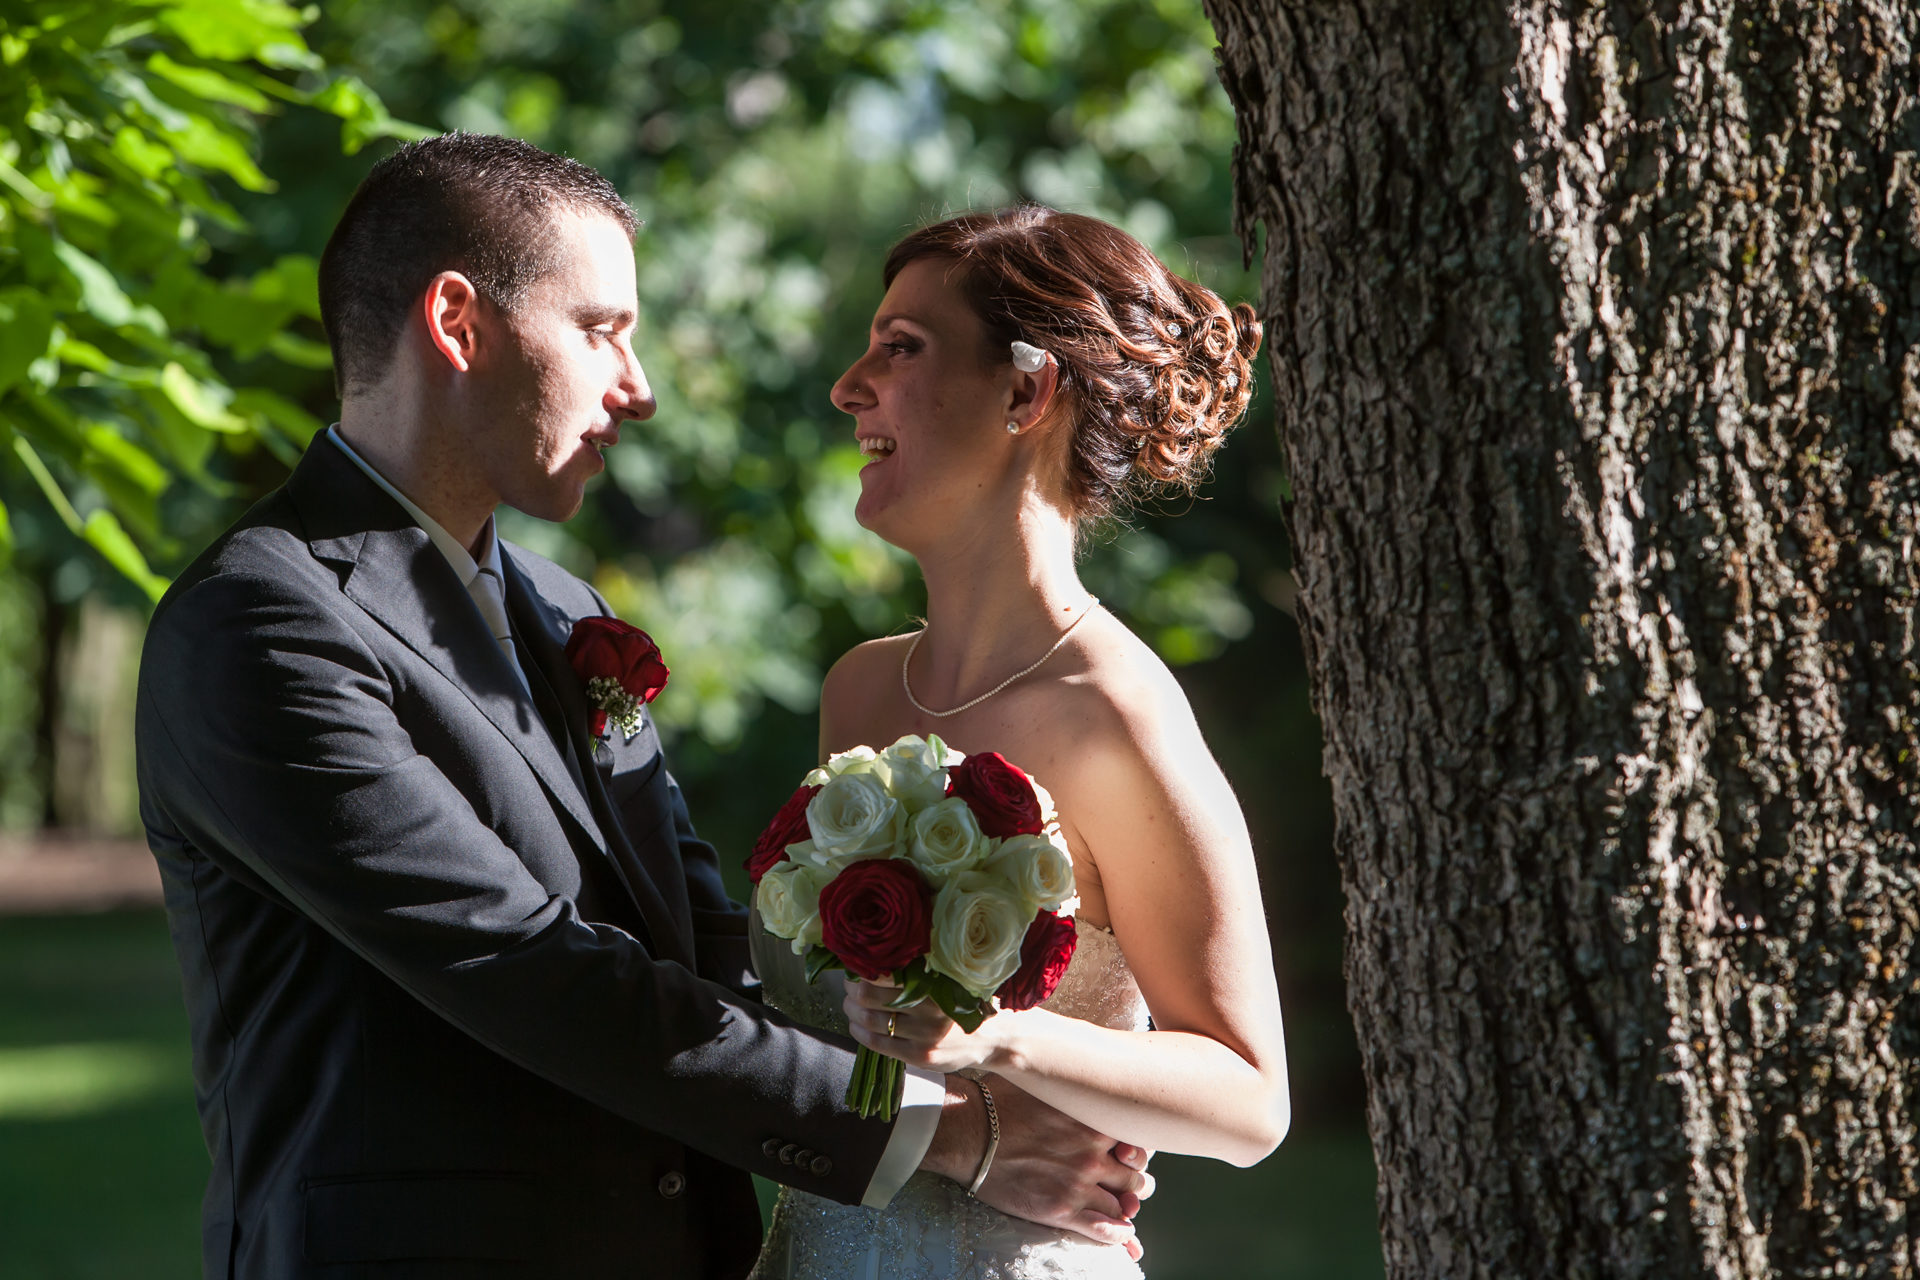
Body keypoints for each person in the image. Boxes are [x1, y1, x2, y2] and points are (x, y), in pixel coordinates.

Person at [133, 135, 1151, 1280]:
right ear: (458, 322)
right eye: (603, 331)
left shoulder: (568, 613)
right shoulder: (260, 621)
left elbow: (700, 936)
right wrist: (948, 1139)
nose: (641, 387)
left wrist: (938, 1042)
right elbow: (520, 965)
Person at [747, 207, 1291, 1279]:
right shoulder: (859, 692)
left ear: (1025, 390)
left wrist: (1004, 1039)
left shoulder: (1112, 710)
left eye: (899, 348)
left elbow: (1249, 1095)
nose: (848, 387)